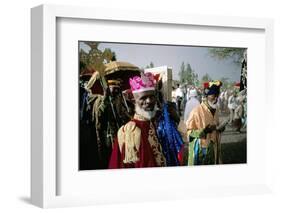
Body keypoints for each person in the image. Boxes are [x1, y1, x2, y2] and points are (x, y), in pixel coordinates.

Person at [109, 72, 166, 168]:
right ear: (134, 101)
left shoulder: (155, 122)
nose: (149, 101)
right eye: (143, 98)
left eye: (151, 96)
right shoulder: (128, 131)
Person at [92, 79, 131, 169]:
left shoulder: (121, 99)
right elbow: (100, 115)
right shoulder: (101, 100)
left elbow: (126, 115)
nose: (116, 91)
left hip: (121, 134)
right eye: (113, 88)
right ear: (108, 88)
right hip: (108, 138)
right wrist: (105, 99)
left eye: (117, 89)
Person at [186, 81, 226, 165]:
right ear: (207, 96)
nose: (216, 99)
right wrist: (204, 131)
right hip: (201, 151)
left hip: (214, 149)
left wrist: (220, 129)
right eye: (213, 96)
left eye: (217, 96)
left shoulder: (216, 110)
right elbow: (188, 133)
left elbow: (216, 126)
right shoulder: (196, 111)